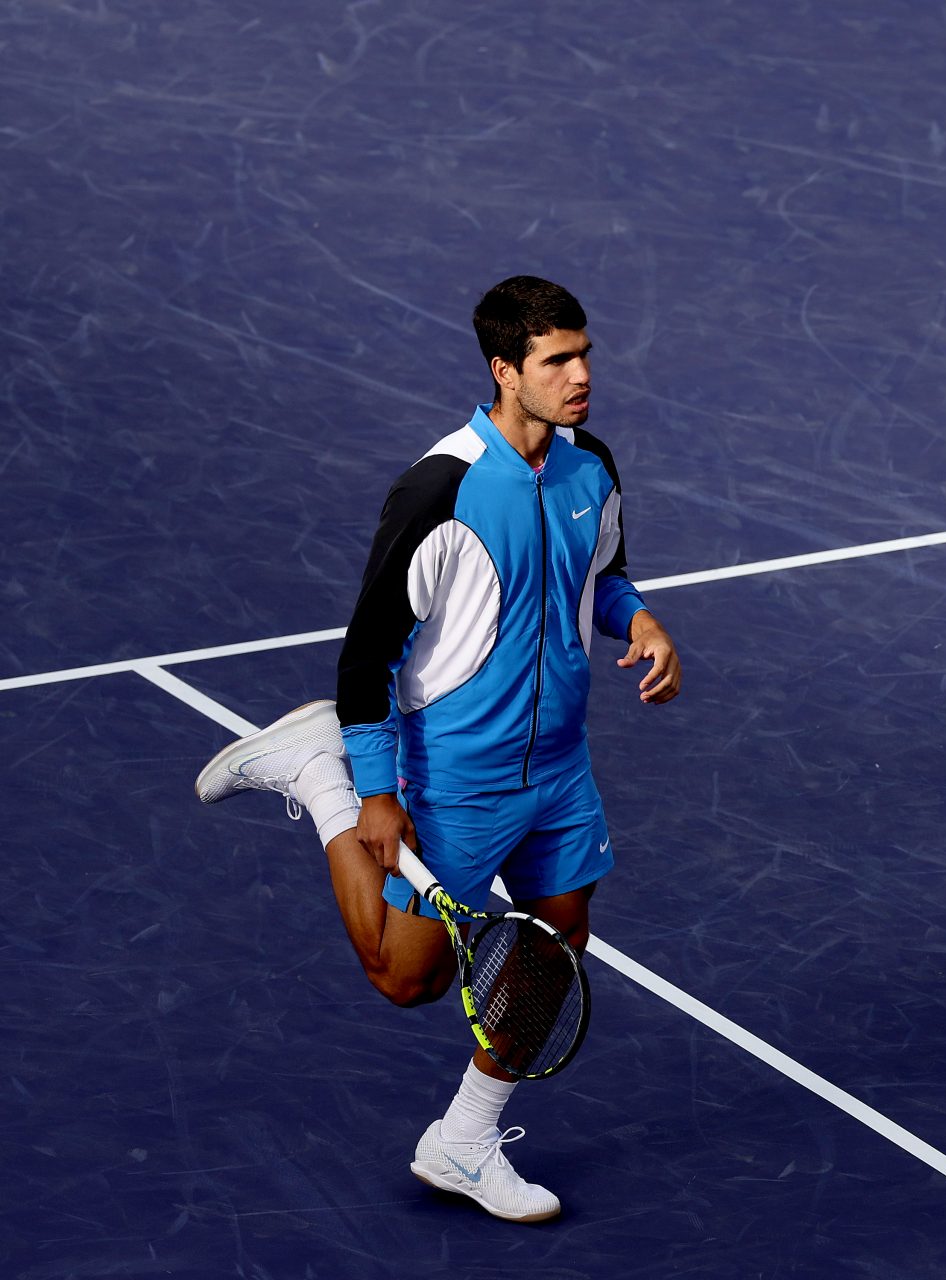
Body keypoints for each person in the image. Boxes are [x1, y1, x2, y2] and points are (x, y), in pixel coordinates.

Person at [195, 275, 681, 1219]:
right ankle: (317, 772)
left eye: (584, 354)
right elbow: (366, 655)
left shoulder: (594, 466)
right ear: (506, 371)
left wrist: (642, 620)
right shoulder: (439, 489)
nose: (582, 375)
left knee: (556, 943)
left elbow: (602, 576)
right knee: (402, 976)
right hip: (456, 771)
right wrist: (375, 791)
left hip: (563, 766)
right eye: (557, 362)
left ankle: (462, 1141)